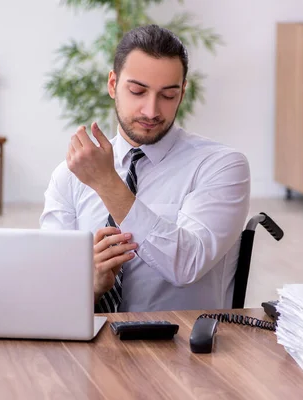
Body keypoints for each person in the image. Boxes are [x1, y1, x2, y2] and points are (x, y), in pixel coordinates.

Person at [40, 24, 250, 313]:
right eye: (138, 91)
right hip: (91, 347)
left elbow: (187, 265)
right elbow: (50, 294)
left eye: (167, 95)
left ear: (182, 92)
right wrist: (91, 286)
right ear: (112, 85)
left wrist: (107, 183)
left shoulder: (221, 166)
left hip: (180, 350)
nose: (151, 111)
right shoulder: (70, 175)